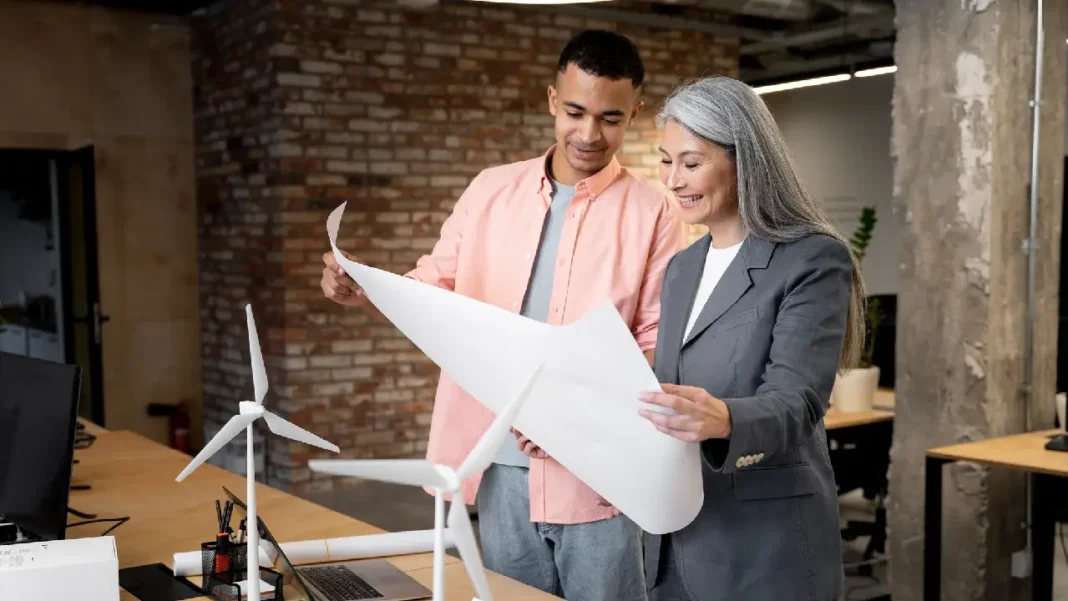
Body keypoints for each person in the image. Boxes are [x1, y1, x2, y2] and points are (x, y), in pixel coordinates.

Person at [321, 30, 683, 601]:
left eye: (611, 118)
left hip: (598, 473)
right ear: (550, 100)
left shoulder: (654, 211)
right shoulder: (491, 190)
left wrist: (572, 414)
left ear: (635, 113)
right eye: (574, 111)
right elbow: (433, 286)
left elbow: (657, 340)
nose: (589, 134)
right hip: (497, 467)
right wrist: (362, 286)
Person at [637, 75, 866, 601]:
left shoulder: (811, 259)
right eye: (666, 160)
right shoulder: (681, 269)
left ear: (746, 160)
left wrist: (724, 418)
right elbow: (665, 391)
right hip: (673, 540)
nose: (673, 180)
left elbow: (798, 402)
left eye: (691, 163)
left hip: (764, 549)